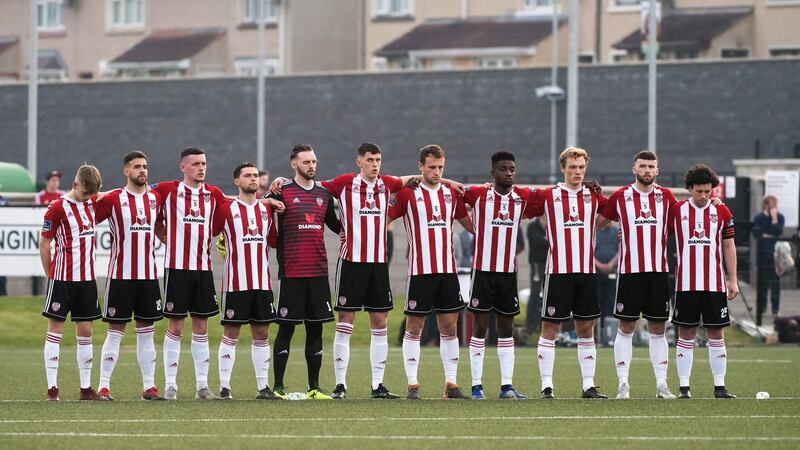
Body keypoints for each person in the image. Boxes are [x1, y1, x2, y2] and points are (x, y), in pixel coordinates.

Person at [388, 144, 474, 400]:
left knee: (450, 327)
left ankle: (451, 384)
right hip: (420, 271)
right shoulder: (408, 194)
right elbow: (385, 217)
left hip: (448, 272)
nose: (437, 172)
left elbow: (468, 223)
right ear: (421, 167)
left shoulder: (451, 194)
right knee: (415, 327)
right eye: (432, 167)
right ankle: (413, 385)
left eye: (441, 168)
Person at [526, 147, 608, 399]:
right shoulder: (549, 195)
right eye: (572, 167)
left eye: (581, 167)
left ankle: (588, 385)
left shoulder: (593, 196)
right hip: (558, 272)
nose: (577, 171)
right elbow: (520, 201)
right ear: (563, 168)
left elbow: (614, 212)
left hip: (585, 272)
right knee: (550, 328)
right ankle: (546, 386)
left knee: (586, 328)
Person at [596, 150, 678, 399]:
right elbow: (596, 222)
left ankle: (662, 384)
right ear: (634, 169)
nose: (646, 170)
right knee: (626, 325)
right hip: (630, 272)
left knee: (658, 327)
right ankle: (623, 384)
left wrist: (714, 203)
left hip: (657, 272)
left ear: (657, 170)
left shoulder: (666, 196)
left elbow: (686, 219)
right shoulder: (621, 197)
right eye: (642, 166)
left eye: (651, 167)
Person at [152, 147, 227, 400]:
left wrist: (268, 198)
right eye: (196, 164)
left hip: (203, 270)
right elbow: (136, 195)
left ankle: (202, 387)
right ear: (183, 167)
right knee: (175, 326)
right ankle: (170, 385)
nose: (202, 168)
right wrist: (161, 232)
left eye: (204, 163)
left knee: (201, 326)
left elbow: (241, 203)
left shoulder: (214, 194)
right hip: (177, 269)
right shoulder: (167, 190)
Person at [268, 144, 341, 400]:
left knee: (316, 329)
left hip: (318, 273)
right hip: (292, 273)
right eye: (306, 162)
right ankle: (277, 387)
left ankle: (314, 387)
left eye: (314, 161)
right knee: (286, 329)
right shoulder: (281, 192)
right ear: (294, 164)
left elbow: (338, 226)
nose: (311, 166)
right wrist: (270, 188)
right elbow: (260, 210)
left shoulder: (323, 194)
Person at [93, 151, 164, 400]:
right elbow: (85, 216)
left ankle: (149, 387)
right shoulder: (113, 198)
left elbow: (162, 229)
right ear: (126, 171)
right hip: (120, 275)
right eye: (137, 167)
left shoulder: (155, 199)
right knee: (115, 330)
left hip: (148, 276)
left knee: (147, 330)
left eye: (145, 166)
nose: (142, 171)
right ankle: (103, 386)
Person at [463, 151, 531, 400]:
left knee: (506, 328)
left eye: (512, 169)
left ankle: (507, 386)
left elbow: (549, 198)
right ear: (493, 173)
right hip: (483, 272)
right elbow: (455, 190)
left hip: (508, 274)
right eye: (503, 169)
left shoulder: (522, 197)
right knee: (480, 328)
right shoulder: (479, 195)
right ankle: (476, 386)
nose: (509, 173)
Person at [669, 164, 738, 399]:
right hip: (686, 285)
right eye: (699, 191)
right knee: (685, 333)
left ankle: (720, 387)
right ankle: (684, 387)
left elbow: (729, 246)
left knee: (716, 334)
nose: (704, 196)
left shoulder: (722, 212)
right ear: (689, 189)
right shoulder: (677, 211)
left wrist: (733, 280)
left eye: (708, 191)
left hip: (714, 284)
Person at [211, 163, 279, 400]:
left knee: (262, 332)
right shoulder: (226, 209)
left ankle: (263, 386)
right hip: (235, 283)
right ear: (236, 182)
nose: (253, 179)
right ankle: (224, 386)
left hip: (262, 282)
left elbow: (272, 241)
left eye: (256, 176)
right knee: (231, 332)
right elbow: (210, 232)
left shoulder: (266, 210)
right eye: (248, 176)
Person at [39, 165, 104, 401]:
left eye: (92, 195)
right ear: (75, 185)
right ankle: (52, 389)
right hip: (62, 280)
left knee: (86, 331)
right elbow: (44, 243)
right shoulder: (57, 208)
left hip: (86, 280)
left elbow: (110, 195)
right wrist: (50, 274)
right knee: (55, 330)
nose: (89, 199)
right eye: (86, 193)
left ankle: (86, 388)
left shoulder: (92, 202)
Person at [752, 194, 785, 324]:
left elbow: (778, 231)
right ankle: (762, 308)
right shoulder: (759, 218)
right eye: (773, 204)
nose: (775, 207)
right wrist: (767, 234)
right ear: (766, 204)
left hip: (776, 255)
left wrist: (775, 218)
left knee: (775, 283)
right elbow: (757, 233)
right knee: (763, 284)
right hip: (763, 254)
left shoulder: (779, 217)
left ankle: (775, 309)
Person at [593, 223, 618, 342]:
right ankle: (598, 331)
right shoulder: (595, 232)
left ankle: (610, 332)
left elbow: (621, 250)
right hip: (597, 271)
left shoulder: (616, 232)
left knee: (611, 299)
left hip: (612, 271)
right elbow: (588, 250)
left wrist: (611, 264)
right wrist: (599, 265)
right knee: (598, 299)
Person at [525, 217, 548, 334]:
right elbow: (537, 242)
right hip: (537, 264)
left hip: (549, 263)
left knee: (548, 293)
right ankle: (531, 324)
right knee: (535, 292)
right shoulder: (532, 227)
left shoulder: (550, 226)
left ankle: (547, 321)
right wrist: (547, 240)